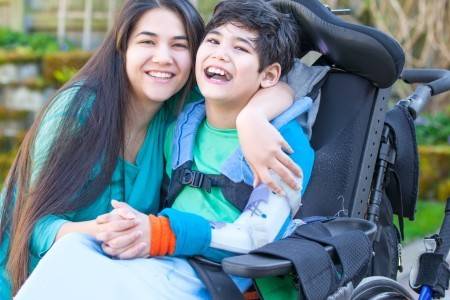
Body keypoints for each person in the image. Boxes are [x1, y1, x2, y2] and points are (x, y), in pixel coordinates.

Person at [0, 0, 301, 298]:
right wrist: (108, 231)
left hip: (135, 270)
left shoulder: (183, 109)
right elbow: (31, 227)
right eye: (147, 41)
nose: (163, 58)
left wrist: (253, 118)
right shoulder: (78, 112)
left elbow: (272, 86)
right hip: (35, 276)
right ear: (123, 48)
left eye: (179, 46)